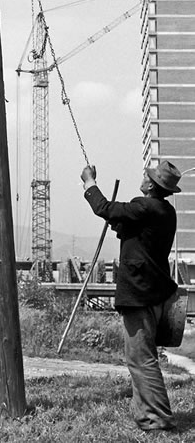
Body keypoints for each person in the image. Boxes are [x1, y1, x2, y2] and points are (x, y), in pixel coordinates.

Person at [81, 160, 181, 432]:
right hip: (156, 291)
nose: (143, 177)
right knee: (140, 357)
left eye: (147, 176)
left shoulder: (144, 206)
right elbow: (135, 232)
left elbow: (105, 208)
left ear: (151, 185)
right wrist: (119, 222)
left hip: (140, 294)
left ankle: (158, 419)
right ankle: (144, 414)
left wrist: (90, 182)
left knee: (141, 359)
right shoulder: (165, 211)